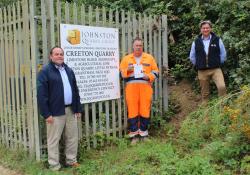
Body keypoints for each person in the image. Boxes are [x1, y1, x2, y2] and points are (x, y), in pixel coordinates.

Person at [37, 46, 82, 171]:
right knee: (53, 139)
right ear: (51, 56)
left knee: (72, 136)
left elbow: (75, 90)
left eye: (61, 54)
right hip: (55, 112)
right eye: (56, 54)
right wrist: (46, 114)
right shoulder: (45, 71)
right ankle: (54, 165)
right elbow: (41, 95)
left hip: (70, 110)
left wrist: (77, 108)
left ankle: (71, 160)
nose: (59, 56)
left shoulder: (68, 70)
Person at [120, 37, 159, 144]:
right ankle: (134, 136)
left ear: (143, 46)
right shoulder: (126, 59)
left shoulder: (149, 58)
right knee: (132, 110)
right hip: (131, 89)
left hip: (145, 88)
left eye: (140, 45)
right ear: (133, 46)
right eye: (136, 45)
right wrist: (127, 70)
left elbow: (156, 71)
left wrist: (149, 76)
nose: (138, 47)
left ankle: (144, 134)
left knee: (145, 110)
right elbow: (121, 74)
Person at [189, 20, 227, 104]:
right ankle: (205, 112)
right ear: (201, 30)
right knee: (205, 93)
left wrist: (217, 63)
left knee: (222, 87)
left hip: (215, 69)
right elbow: (192, 56)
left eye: (207, 28)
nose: (205, 29)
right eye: (203, 28)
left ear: (210, 29)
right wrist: (199, 64)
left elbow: (223, 54)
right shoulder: (196, 41)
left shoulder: (217, 40)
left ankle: (223, 107)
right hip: (202, 70)